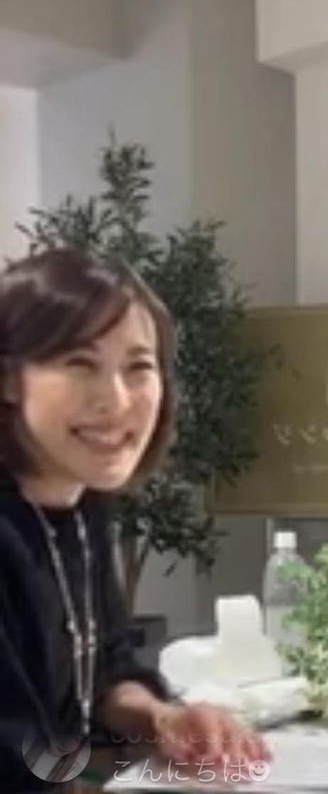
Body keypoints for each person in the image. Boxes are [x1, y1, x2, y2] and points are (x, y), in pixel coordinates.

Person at [0, 248, 268, 790]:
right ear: (8, 379)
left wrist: (160, 718)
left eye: (139, 367)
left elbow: (105, 673)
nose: (117, 400)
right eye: (80, 363)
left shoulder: (83, 506)